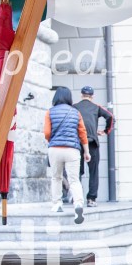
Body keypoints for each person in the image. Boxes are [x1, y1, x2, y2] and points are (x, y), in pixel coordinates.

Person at [44, 86, 90, 224]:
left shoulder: (49, 112)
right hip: (72, 150)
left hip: (55, 150)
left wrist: (53, 140)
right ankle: (78, 204)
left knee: (56, 177)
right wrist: (87, 151)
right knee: (74, 180)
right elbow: (82, 133)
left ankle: (57, 204)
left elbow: (47, 133)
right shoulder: (76, 113)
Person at [73, 86, 114, 207]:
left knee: (77, 172)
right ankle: (91, 199)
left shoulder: (74, 107)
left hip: (78, 142)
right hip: (92, 142)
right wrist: (106, 131)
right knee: (93, 171)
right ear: (92, 96)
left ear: (81, 95)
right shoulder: (96, 107)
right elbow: (110, 116)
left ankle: (77, 199)